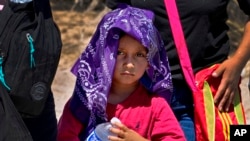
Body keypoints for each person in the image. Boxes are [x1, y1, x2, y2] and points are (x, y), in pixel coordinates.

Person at [104, 1, 250, 141]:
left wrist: (238, 62)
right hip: (146, 93)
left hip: (211, 93)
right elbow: (117, 25)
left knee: (235, 135)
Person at [57, 4, 186, 141]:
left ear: (150, 61)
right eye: (119, 53)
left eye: (139, 55)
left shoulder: (155, 106)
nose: (129, 64)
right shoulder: (85, 101)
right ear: (103, 56)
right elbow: (64, 136)